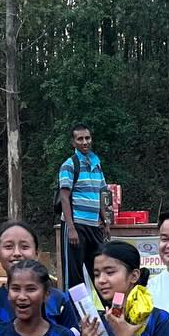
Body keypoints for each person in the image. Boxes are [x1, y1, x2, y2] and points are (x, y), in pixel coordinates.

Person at [0, 221, 78, 331]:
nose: (17, 253)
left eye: (24, 247)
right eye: (8, 246)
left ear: (37, 253)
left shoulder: (58, 300)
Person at [58, 122, 109, 288]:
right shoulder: (69, 165)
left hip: (94, 226)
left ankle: (110, 311)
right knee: (74, 276)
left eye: (87, 138)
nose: (85, 142)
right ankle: (74, 312)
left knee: (100, 270)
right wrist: (71, 228)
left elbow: (100, 194)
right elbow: (64, 197)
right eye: (80, 139)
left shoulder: (96, 164)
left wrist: (105, 221)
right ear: (73, 143)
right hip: (76, 225)